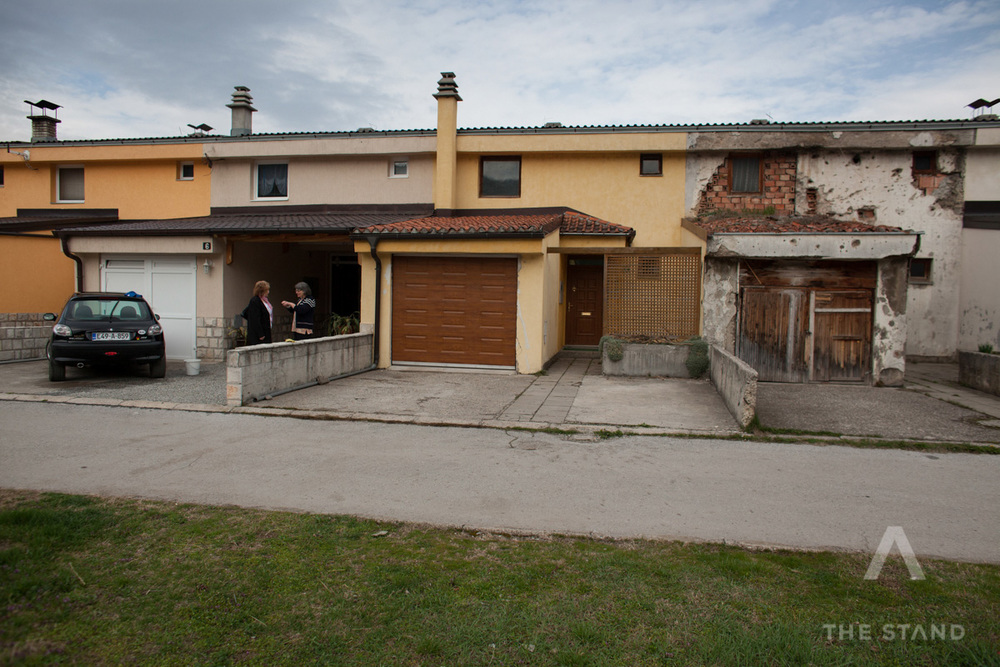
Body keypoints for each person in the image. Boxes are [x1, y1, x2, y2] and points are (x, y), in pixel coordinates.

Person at [241, 280, 273, 345]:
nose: (268, 292)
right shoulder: (255, 301)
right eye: (267, 290)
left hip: (266, 330)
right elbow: (255, 318)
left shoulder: (265, 301)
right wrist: (260, 334)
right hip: (259, 335)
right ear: (262, 291)